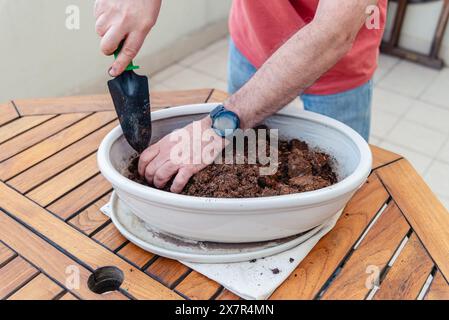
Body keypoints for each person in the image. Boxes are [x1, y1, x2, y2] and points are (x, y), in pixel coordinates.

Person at [94, 0, 386, 193]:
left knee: (342, 188)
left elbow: (333, 33)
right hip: (253, 38)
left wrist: (221, 123)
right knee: (243, 151)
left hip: (339, 63)